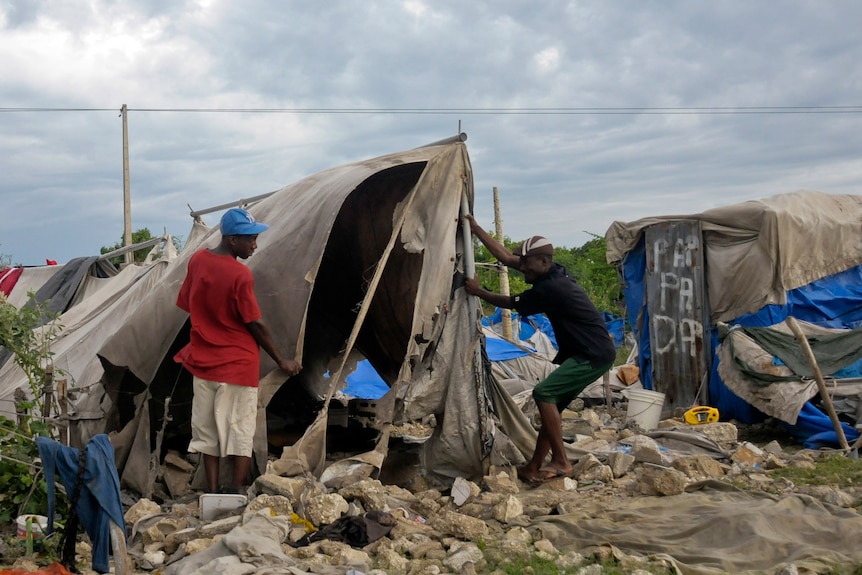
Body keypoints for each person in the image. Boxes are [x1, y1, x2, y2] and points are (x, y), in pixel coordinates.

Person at [464, 214, 615, 484]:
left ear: (544, 262)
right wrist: (476, 229)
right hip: (590, 351)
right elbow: (506, 258)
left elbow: (511, 302)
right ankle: (534, 466)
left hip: (592, 354)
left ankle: (561, 461)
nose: (523, 269)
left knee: (543, 393)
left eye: (527, 264)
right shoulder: (551, 270)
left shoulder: (552, 287)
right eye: (522, 263)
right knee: (551, 408)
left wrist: (478, 291)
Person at [174, 207, 302, 493]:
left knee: (207, 432)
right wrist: (281, 359)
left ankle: (211, 491)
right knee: (240, 431)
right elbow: (255, 322)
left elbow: (188, 304)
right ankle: (236, 491)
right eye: (250, 239)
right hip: (237, 363)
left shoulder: (197, 260)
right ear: (232, 240)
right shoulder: (239, 274)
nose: (255, 245)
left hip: (204, 361)